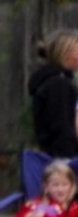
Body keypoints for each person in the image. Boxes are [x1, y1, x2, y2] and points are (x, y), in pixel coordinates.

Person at [28, 28, 78, 159]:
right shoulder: (58, 86)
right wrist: (66, 163)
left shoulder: (54, 82)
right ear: (65, 53)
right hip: (62, 161)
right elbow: (61, 129)